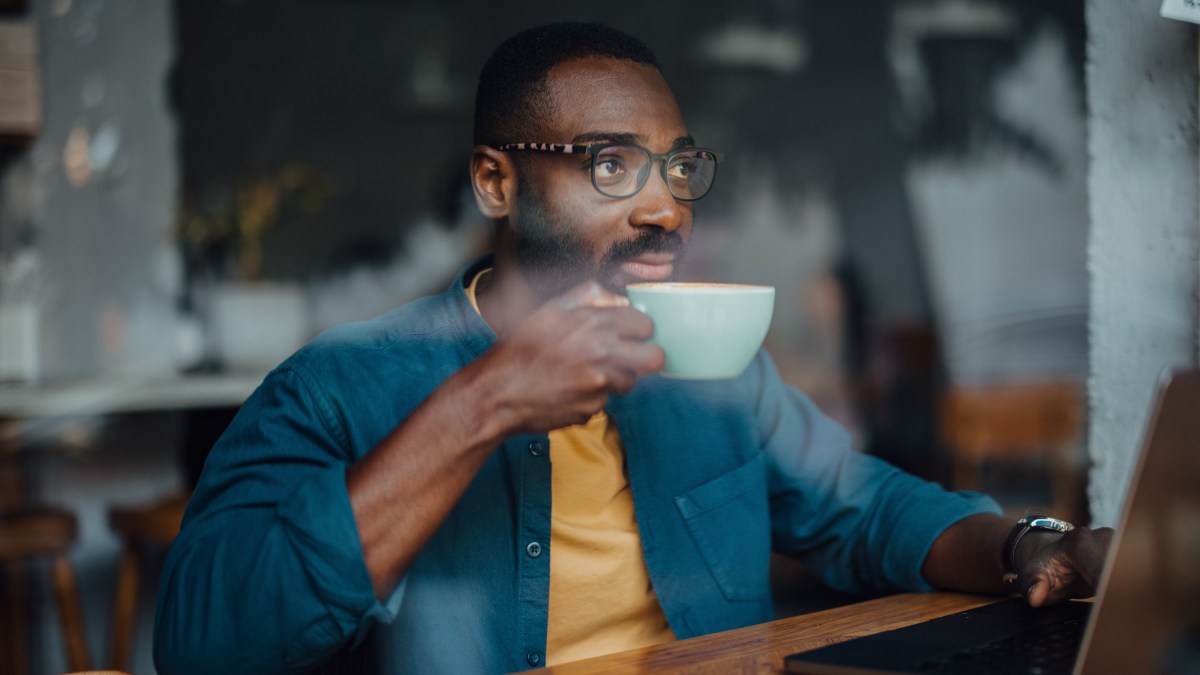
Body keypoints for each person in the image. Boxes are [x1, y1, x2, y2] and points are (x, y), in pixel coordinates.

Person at [153, 22, 1111, 675]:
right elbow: (205, 643)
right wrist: (486, 401)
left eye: (678, 167)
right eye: (611, 165)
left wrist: (1031, 546)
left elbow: (867, 511)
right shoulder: (339, 383)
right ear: (496, 181)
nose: (665, 207)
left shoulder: (712, 371)